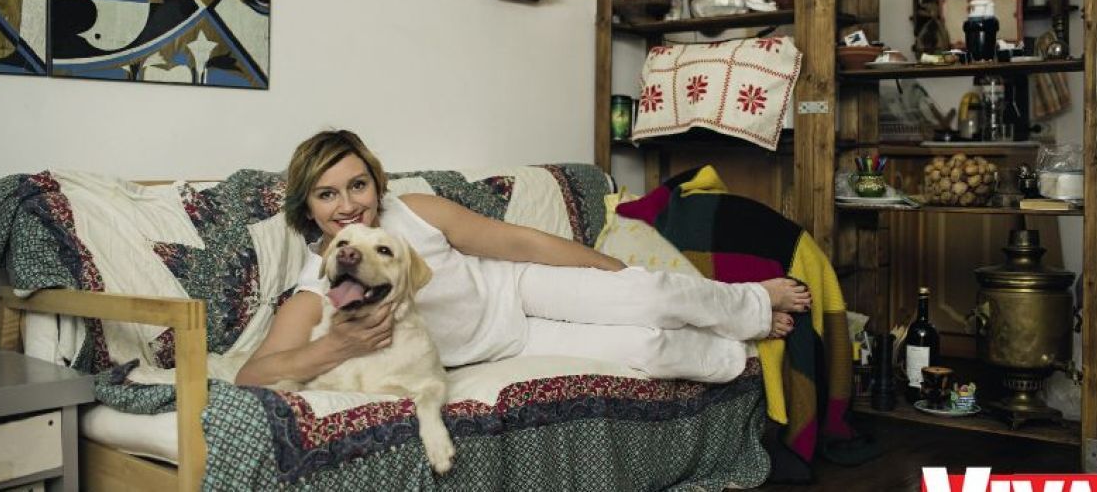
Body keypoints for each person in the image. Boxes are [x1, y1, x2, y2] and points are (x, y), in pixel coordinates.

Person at [235, 130, 810, 387]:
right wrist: (337, 346)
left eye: (357, 185)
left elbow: (519, 242)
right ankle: (739, 354)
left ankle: (753, 304)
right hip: (507, 344)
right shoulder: (321, 285)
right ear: (307, 207)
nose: (347, 205)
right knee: (649, 349)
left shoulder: (413, 210)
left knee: (649, 297)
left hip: (519, 288)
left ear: (376, 183)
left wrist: (613, 272)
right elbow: (252, 373)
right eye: (327, 194)